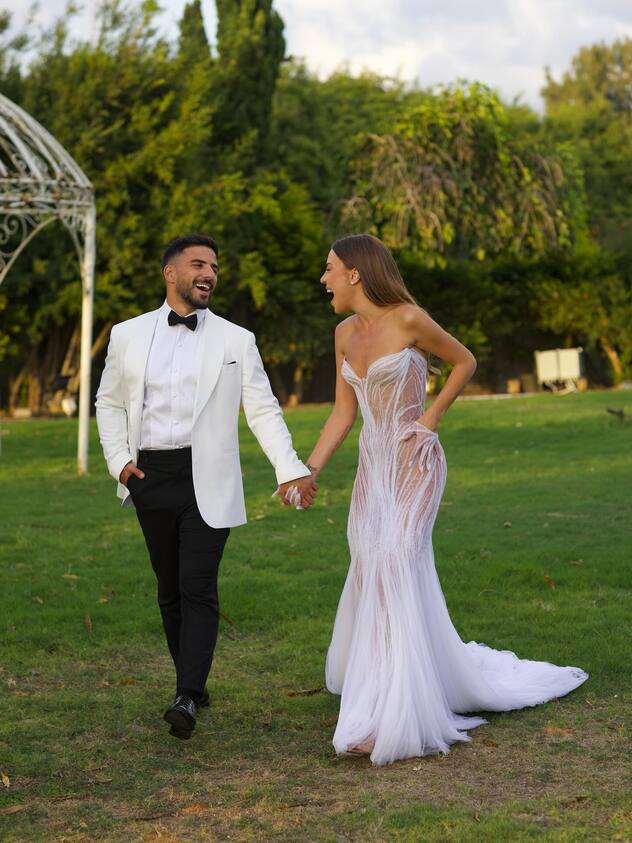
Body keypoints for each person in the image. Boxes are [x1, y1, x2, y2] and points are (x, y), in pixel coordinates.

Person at [304, 233, 588, 766]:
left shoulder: (409, 319)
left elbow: (464, 361)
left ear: (356, 273)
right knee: (370, 568)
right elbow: (343, 413)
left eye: (329, 268)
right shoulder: (342, 334)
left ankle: (392, 715)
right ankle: (383, 691)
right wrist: (308, 470)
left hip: (414, 464)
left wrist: (430, 419)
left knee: (393, 565)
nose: (324, 279)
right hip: (373, 471)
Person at [95, 234, 316, 740]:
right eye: (198, 264)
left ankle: (187, 695)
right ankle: (192, 680)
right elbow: (108, 402)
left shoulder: (237, 340)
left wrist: (290, 468)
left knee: (197, 585)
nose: (209, 274)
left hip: (208, 478)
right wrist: (119, 463)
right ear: (170, 273)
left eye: (214, 266)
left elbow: (262, 410)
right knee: (169, 589)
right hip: (149, 476)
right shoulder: (127, 334)